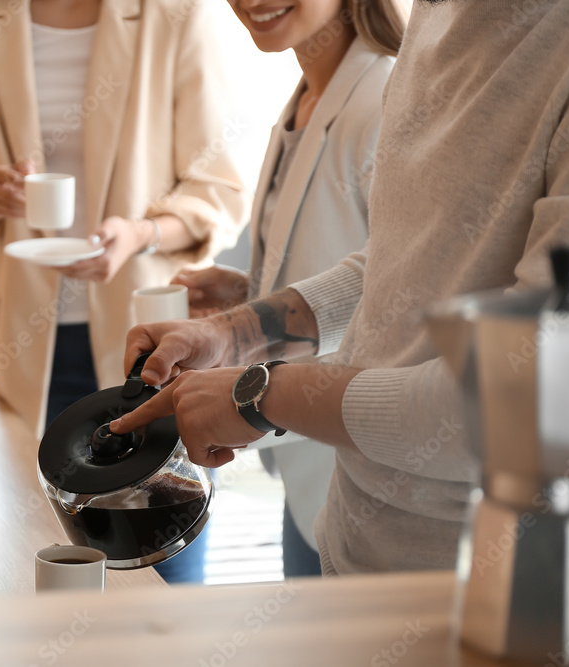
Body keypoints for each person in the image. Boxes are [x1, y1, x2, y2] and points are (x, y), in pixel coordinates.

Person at [110, 0, 569, 576]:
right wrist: (237, 333)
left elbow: (531, 398)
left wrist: (260, 394)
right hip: (352, 539)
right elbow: (405, 261)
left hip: (478, 576)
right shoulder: (435, 15)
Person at [0, 0, 248, 583]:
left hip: (151, 350)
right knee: (35, 562)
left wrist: (141, 234)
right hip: (26, 355)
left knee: (164, 562)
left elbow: (217, 190)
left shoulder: (176, 13)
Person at [172, 0, 405, 576]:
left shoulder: (386, 98)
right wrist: (248, 292)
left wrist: (242, 339)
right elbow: (345, 257)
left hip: (356, 476)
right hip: (304, 478)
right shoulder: (305, 98)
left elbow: (403, 293)